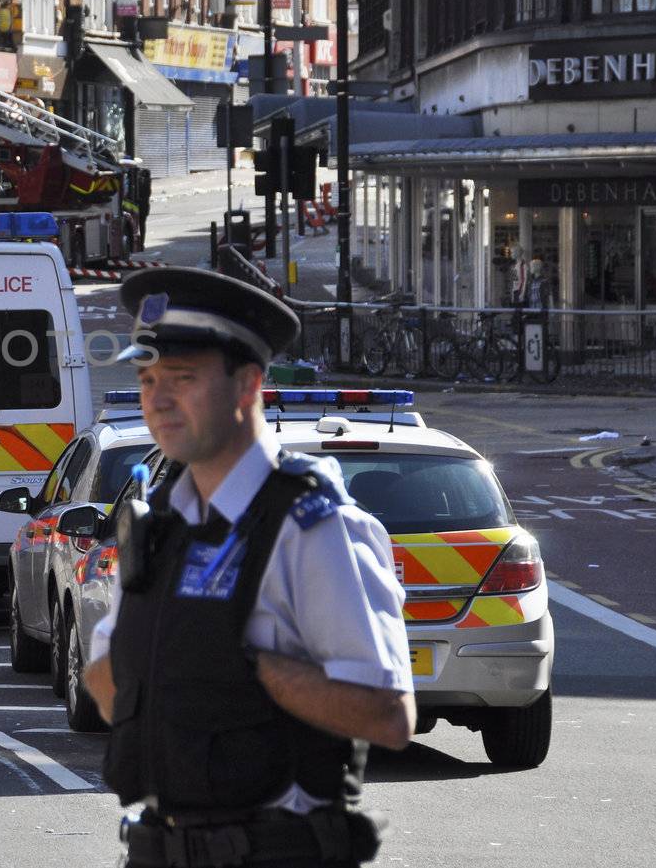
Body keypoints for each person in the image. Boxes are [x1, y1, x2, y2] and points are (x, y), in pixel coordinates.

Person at [83, 268, 414, 868]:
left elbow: (388, 714)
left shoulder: (309, 525)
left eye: (182, 378)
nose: (157, 399)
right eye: (148, 377)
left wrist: (241, 673)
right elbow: (105, 677)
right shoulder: (163, 520)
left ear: (247, 384)